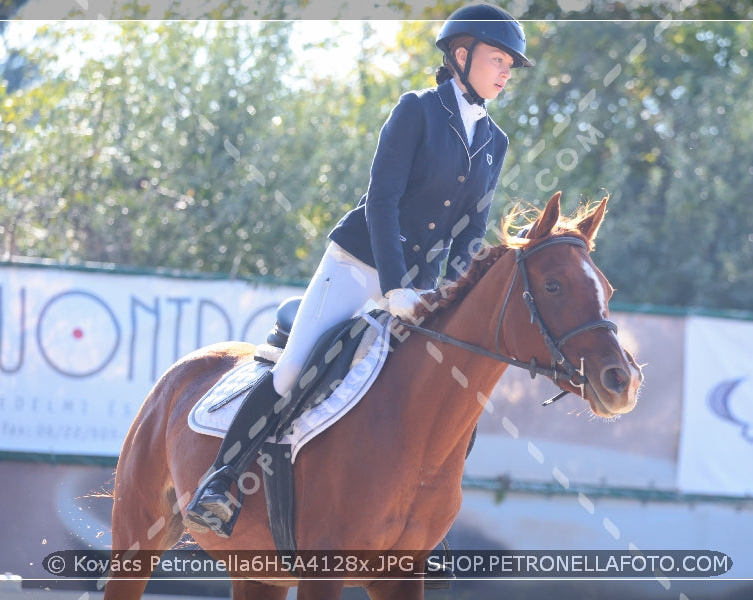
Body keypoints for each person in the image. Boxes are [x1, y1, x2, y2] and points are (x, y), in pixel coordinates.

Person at [185, 2, 533, 537]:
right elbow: (383, 202)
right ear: (460, 56)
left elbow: (470, 233)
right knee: (292, 370)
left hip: (420, 286)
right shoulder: (416, 110)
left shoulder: (496, 140)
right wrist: (394, 286)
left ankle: (419, 518)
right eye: (497, 58)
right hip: (358, 264)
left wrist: (445, 295)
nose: (507, 70)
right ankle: (222, 480)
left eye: (511, 63)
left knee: (442, 385)